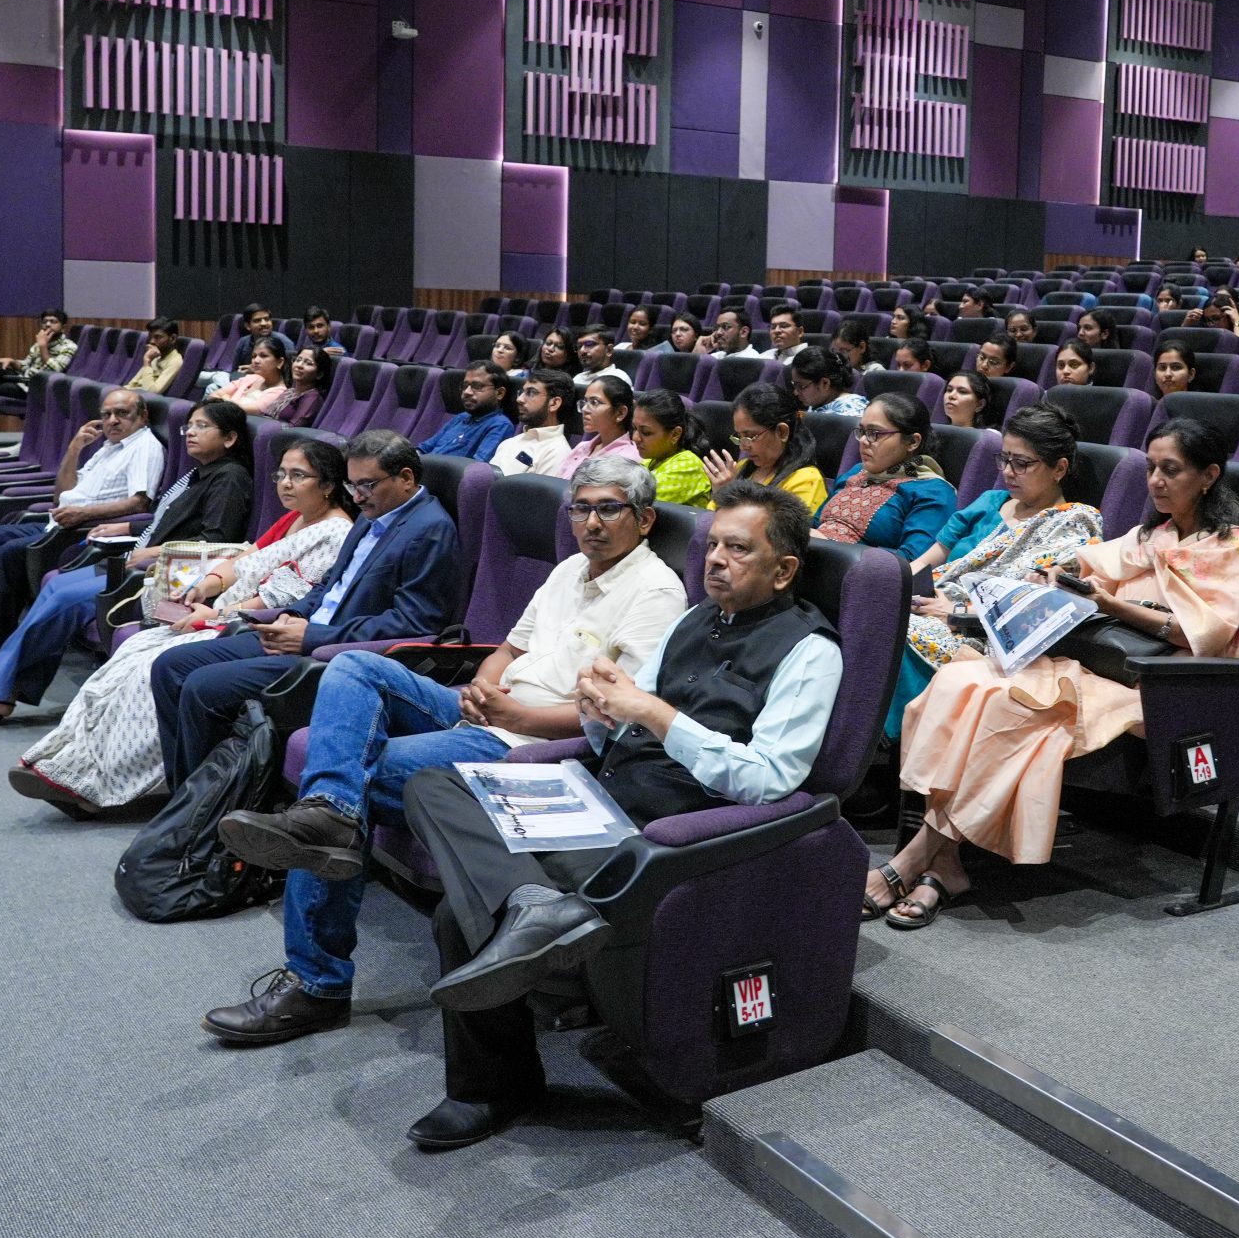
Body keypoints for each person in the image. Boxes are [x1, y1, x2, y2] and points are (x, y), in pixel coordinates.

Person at [395, 482, 843, 1149]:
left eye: (738, 549)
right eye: (713, 545)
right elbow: (621, 723)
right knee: (434, 783)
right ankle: (532, 905)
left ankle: (490, 1084)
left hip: (667, 834)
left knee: (458, 915)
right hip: (599, 800)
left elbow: (770, 780)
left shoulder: (811, 650)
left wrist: (655, 715)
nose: (715, 559)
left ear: (782, 570)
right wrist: (599, 711)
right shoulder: (695, 619)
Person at [200, 456, 690, 1047]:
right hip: (484, 709)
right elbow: (508, 650)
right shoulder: (569, 570)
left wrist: (518, 716)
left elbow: (622, 712)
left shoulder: (655, 591)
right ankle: (330, 815)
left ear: (644, 518)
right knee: (356, 667)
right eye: (581, 508)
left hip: (529, 742)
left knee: (350, 778)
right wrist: (484, 686)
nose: (591, 522)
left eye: (608, 509)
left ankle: (317, 984)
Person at [873, 418, 1239, 920]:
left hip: (1163, 684)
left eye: (1171, 470)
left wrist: (1112, 604)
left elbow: (1200, 635)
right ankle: (945, 863)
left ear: (1208, 475)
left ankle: (912, 861)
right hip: (1095, 666)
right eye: (1150, 468)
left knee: (1008, 706)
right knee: (959, 681)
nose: (1155, 481)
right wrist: (1056, 580)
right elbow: (1086, 567)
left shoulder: (1236, 546)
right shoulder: (1149, 536)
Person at [10, 434, 355, 812]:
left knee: (149, 668)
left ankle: (109, 780)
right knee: (132, 649)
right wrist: (205, 585)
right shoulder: (296, 517)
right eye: (281, 474)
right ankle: (72, 759)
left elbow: (281, 599)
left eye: (298, 476)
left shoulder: (334, 533)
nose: (285, 483)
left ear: (328, 485)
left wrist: (217, 614)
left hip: (252, 625)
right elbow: (242, 562)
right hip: (223, 612)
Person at [148, 430, 461, 786]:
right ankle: (183, 795)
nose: (357, 496)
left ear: (405, 477)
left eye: (367, 485)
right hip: (301, 632)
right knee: (169, 666)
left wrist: (312, 636)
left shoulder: (429, 529)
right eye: (352, 484)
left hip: (330, 653)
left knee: (202, 687)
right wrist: (292, 614)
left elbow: (414, 623)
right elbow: (330, 585)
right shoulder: (372, 513)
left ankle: (202, 807)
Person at [0, 399, 255, 723]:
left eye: (202, 426)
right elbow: (168, 521)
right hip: (142, 560)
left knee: (66, 598)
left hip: (171, 576)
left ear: (229, 438)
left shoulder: (230, 477)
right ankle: (0, 686)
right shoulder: (200, 473)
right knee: (56, 585)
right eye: (189, 426)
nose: (190, 433)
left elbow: (217, 542)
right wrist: (128, 528)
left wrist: (152, 552)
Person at [889, 404, 1103, 739]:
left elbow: (1037, 607)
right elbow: (928, 560)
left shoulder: (1072, 524)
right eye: (1004, 459)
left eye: (1022, 463)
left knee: (890, 632)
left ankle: (882, 739)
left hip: (980, 634)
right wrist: (893, 586)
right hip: (927, 602)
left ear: (1059, 468)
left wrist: (957, 610)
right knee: (869, 610)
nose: (1007, 471)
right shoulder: (989, 502)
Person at [0, 388, 167, 670]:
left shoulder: (144, 446)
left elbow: (139, 503)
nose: (112, 421)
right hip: (59, 522)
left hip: (87, 530)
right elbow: (61, 496)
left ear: (143, 416)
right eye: (106, 415)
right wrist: (74, 449)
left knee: (11, 553)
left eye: (122, 414)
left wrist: (83, 514)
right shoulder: (107, 447)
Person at [816, 392, 957, 559]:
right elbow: (815, 523)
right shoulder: (857, 472)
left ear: (912, 442)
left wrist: (830, 543)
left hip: (860, 572)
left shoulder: (933, 491)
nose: (863, 440)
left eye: (875, 433)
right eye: (862, 431)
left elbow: (910, 561)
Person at [704, 380, 828, 514]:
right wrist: (721, 494)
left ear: (782, 432)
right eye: (739, 437)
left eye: (750, 436)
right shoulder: (741, 468)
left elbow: (778, 528)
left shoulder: (806, 480)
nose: (743, 447)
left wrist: (728, 498)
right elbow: (708, 519)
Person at [631, 388, 715, 508]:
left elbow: (631, 502)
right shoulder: (650, 461)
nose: (635, 438)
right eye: (634, 428)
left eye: (646, 432)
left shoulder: (688, 466)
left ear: (675, 434)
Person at [419, 361, 514, 463]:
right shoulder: (460, 417)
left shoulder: (500, 425)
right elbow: (424, 449)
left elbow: (476, 467)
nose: (467, 392)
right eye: (465, 386)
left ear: (499, 393)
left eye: (477, 386)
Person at [553, 373, 639, 477]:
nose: (584, 409)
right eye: (585, 401)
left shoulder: (628, 458)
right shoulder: (581, 447)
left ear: (620, 413)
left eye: (594, 402)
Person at [198, 303, 287, 394]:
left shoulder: (283, 342)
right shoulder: (243, 342)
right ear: (248, 326)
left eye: (267, 319)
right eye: (257, 321)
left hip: (264, 385)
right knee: (212, 387)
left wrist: (255, 370)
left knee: (217, 380)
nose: (264, 323)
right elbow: (235, 370)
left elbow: (286, 375)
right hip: (242, 380)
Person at [0, 308, 74, 405]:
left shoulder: (69, 346)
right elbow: (25, 366)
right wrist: (12, 361)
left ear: (63, 327)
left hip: (37, 388)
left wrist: (43, 346)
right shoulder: (39, 344)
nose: (48, 324)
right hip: (23, 380)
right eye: (44, 322)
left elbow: (53, 371)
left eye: (53, 322)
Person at [214, 341, 291, 416]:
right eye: (254, 356)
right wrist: (226, 400)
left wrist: (225, 397)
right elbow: (214, 395)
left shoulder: (279, 393)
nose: (256, 361)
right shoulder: (251, 378)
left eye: (263, 356)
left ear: (280, 362)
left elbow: (239, 409)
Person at [788, 346, 867, 418]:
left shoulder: (849, 414)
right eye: (795, 385)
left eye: (801, 386)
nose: (796, 392)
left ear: (825, 383)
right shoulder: (819, 403)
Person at [273, 345, 337, 429]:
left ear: (319, 374)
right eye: (298, 360)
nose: (299, 365)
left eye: (308, 363)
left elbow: (293, 429)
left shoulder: (312, 397)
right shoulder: (290, 391)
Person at [127, 318, 187, 394]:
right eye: (150, 337)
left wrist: (147, 362)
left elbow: (152, 392)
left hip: (144, 398)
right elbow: (131, 384)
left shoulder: (175, 361)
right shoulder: (155, 357)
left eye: (157, 337)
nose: (151, 341)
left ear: (172, 339)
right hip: (132, 394)